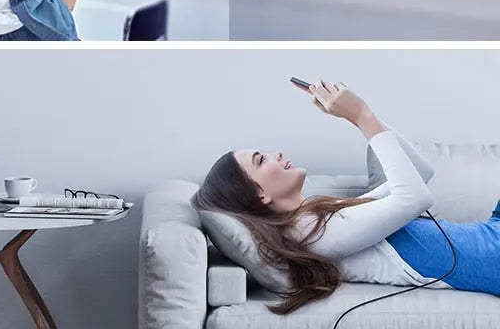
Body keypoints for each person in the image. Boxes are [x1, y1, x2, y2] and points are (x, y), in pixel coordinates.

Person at [193, 80, 500, 314]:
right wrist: (361, 115)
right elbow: (414, 198)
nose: (276, 154)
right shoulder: (308, 235)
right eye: (261, 160)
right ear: (259, 194)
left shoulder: (316, 215)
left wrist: (359, 116)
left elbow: (419, 173)